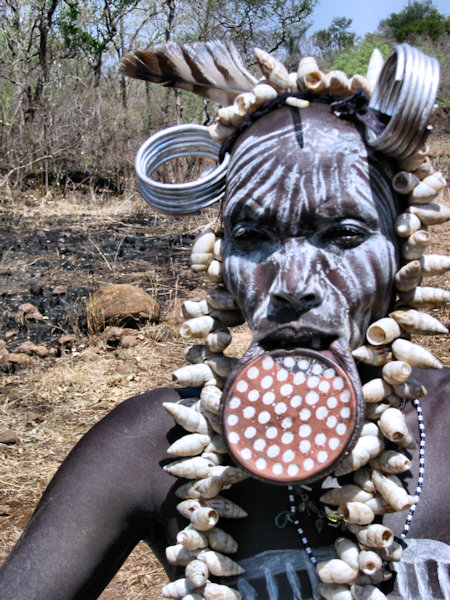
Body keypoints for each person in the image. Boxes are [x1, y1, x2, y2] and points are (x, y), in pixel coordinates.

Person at [0, 42, 448, 600]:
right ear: (220, 262)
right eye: (254, 237)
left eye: (345, 235)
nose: (293, 284)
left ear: (402, 250)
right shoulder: (149, 447)